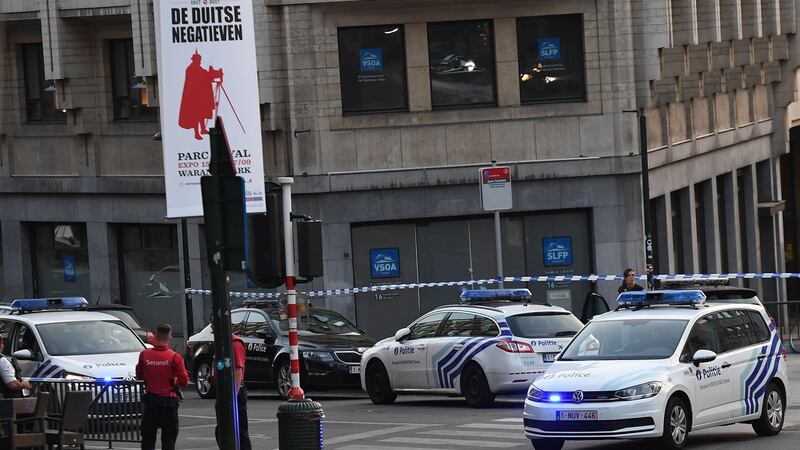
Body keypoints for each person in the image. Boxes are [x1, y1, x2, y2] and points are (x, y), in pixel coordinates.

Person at [136, 323, 188, 450]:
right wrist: (175, 381)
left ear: (155, 336)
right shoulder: (174, 357)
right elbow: (184, 381)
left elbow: (139, 374)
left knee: (148, 439)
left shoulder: (144, 355)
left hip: (151, 401)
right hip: (169, 401)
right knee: (169, 439)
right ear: (169, 337)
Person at [213, 324, 251, 450]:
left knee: (240, 432)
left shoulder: (234, 344)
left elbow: (238, 372)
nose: (213, 327)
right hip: (223, 391)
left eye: (215, 323)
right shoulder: (220, 344)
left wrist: (232, 398)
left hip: (234, 392)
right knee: (221, 431)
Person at [178, 50, 224, 140]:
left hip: (199, 96)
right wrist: (216, 74)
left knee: (201, 113)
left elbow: (205, 75)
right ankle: (196, 133)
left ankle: (202, 129)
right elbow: (204, 76)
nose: (200, 61)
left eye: (200, 60)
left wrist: (215, 73)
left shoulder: (197, 68)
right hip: (194, 97)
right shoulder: (192, 69)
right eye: (199, 60)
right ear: (194, 60)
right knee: (196, 115)